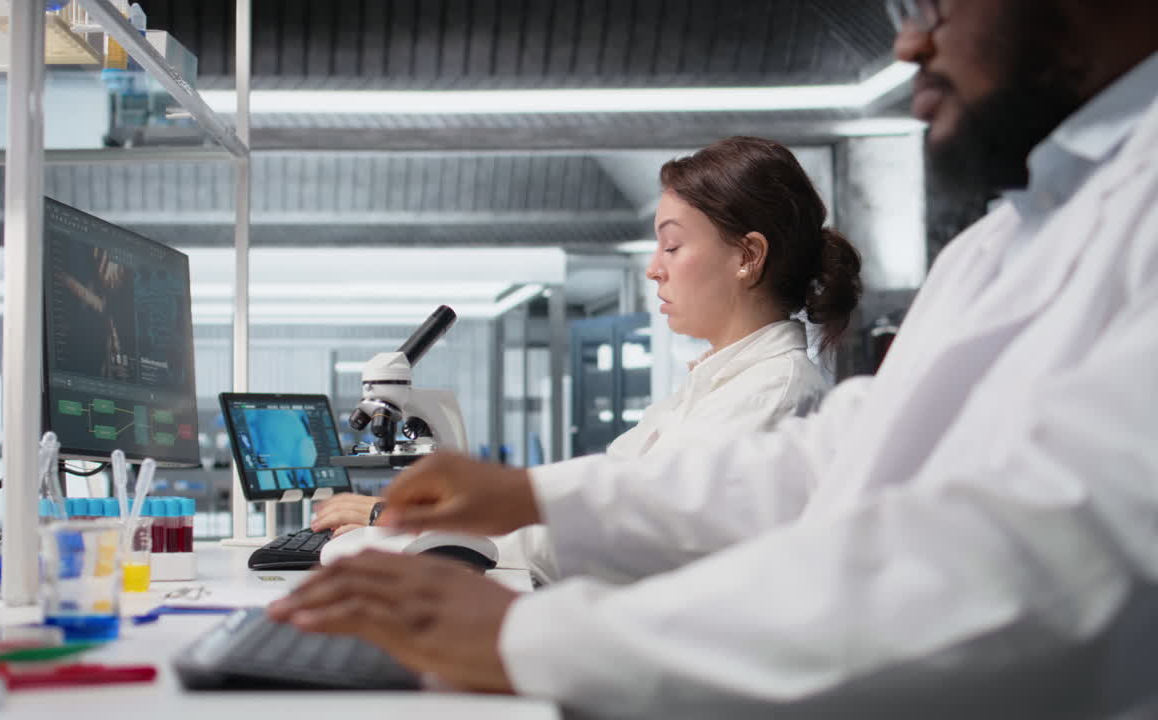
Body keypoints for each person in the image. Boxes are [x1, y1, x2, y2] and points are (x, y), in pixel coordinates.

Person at [269, 1, 1158, 717]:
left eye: (944, 4)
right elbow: (841, 460)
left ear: (749, 256)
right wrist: (528, 496)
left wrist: (535, 637)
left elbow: (1056, 552)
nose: (910, 39)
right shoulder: (1004, 241)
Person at [309, 138, 863, 574]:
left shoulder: (771, 392)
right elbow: (598, 494)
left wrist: (418, 522)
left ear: (747, 256)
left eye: (672, 246)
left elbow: (625, 540)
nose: (654, 268)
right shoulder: (707, 388)